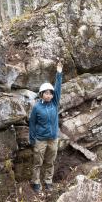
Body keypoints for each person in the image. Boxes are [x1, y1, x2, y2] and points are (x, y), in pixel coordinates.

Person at [29, 60, 63, 192]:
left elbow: (58, 87)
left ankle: (48, 181)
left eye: (50, 93)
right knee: (37, 163)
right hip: (40, 139)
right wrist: (32, 139)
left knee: (50, 162)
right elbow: (32, 124)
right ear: (41, 94)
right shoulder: (37, 107)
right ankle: (36, 182)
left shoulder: (54, 103)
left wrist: (59, 73)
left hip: (53, 139)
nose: (49, 95)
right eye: (46, 93)